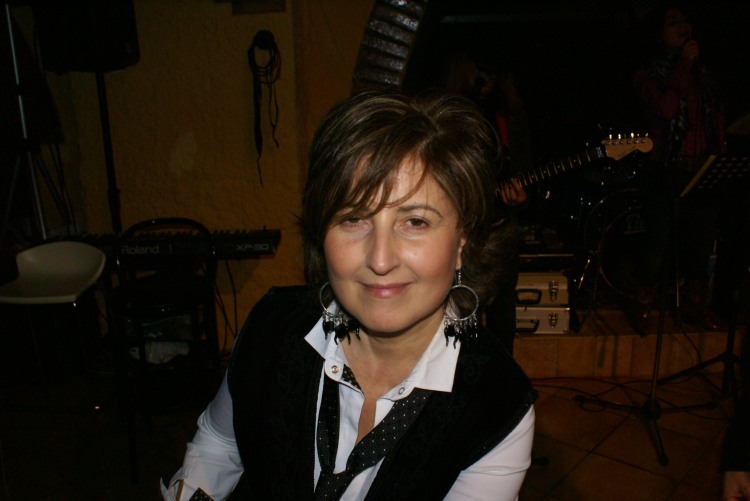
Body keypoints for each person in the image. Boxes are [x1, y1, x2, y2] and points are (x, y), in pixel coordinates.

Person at [161, 90, 537, 500]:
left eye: (414, 221)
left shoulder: (498, 407)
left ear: (463, 238)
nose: (380, 260)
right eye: (354, 218)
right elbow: (219, 443)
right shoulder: (271, 326)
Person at [626, 3, 727, 335]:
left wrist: (718, 154)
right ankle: (642, 304)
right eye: (673, 22)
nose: (682, 26)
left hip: (701, 168)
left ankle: (695, 305)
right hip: (666, 169)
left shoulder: (702, 73)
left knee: (701, 241)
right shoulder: (648, 74)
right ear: (659, 34)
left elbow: (714, 116)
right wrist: (683, 64)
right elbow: (667, 109)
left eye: (684, 20)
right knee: (658, 241)